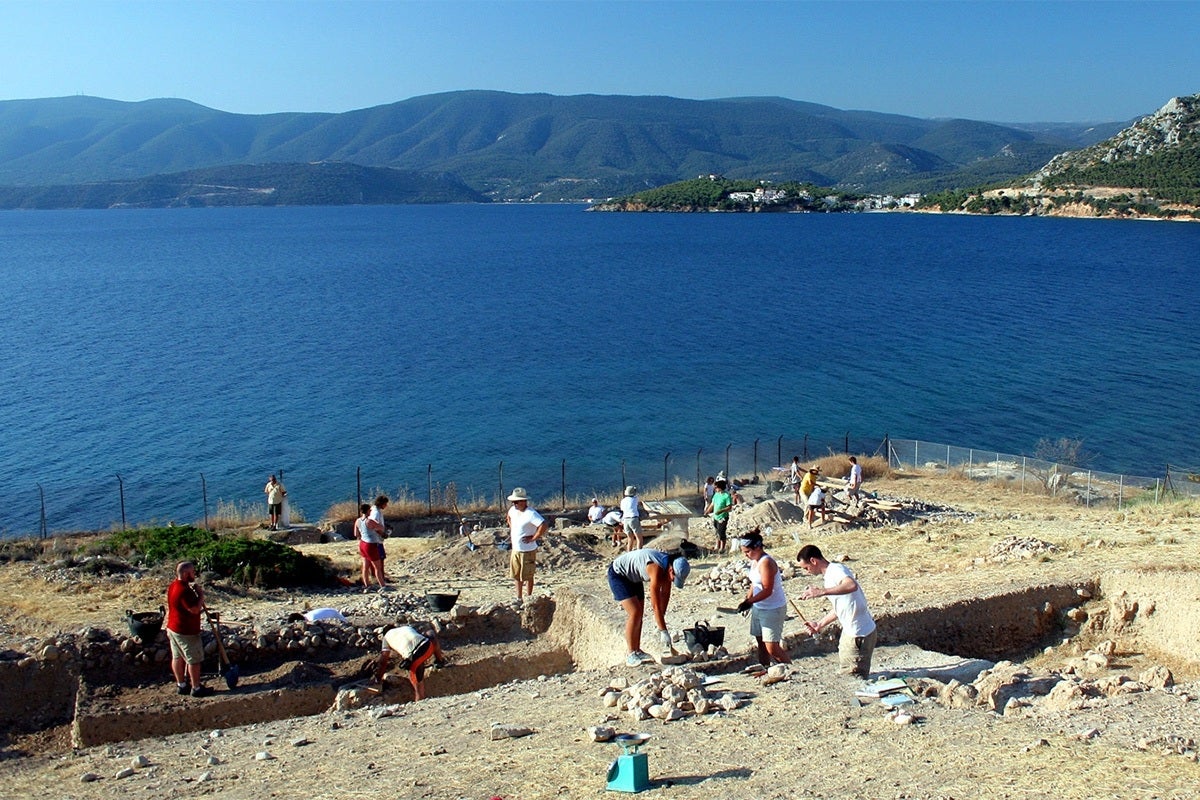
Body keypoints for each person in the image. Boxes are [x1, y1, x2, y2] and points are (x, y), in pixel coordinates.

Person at [797, 544, 877, 678]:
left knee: (853, 677)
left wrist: (821, 592)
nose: (807, 572)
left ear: (813, 561)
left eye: (806, 568)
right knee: (848, 673)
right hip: (852, 632)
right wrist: (819, 624)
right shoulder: (829, 576)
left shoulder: (836, 570)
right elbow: (840, 607)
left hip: (858, 633)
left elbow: (851, 585)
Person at [607, 548, 691, 666]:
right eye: (674, 577)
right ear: (671, 570)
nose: (673, 580)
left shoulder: (667, 570)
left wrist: (661, 621)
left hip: (634, 577)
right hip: (619, 575)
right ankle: (631, 654)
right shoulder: (656, 568)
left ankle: (637, 650)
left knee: (639, 614)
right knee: (635, 613)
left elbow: (665, 596)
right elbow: (655, 604)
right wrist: (664, 631)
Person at [735, 530, 792, 667]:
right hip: (759, 607)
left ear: (758, 547)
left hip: (772, 609)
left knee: (772, 646)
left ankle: (790, 669)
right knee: (760, 641)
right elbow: (755, 583)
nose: (746, 555)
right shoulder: (755, 561)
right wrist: (747, 598)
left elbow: (767, 590)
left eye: (748, 551)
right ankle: (765, 668)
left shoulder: (766, 562)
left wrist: (749, 602)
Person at [166, 561, 212, 697]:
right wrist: (201, 595)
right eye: (192, 572)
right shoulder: (185, 591)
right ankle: (196, 688)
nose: (195, 574)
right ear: (186, 574)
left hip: (173, 628)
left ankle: (181, 685)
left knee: (177, 657)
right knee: (193, 660)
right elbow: (195, 609)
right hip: (186, 631)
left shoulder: (173, 585)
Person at [373, 623, 447, 701]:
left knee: (417, 687)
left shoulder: (386, 638)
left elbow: (383, 661)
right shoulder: (405, 627)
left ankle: (420, 704)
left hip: (414, 658)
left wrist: (378, 678)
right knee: (429, 640)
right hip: (428, 646)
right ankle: (440, 661)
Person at [507, 487, 548, 600]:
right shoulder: (512, 510)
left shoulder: (531, 513)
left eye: (516, 502)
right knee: (516, 574)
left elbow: (543, 525)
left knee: (528, 575)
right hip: (516, 548)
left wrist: (534, 537)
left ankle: (529, 597)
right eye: (513, 502)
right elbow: (508, 517)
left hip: (527, 550)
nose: (514, 504)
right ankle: (519, 597)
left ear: (524, 501)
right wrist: (513, 529)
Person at [356, 502, 387, 590]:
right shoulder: (369, 521)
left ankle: (367, 585)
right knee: (377, 566)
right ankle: (382, 586)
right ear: (368, 511)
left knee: (365, 566)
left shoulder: (358, 521)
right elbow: (381, 527)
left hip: (362, 544)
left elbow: (356, 533)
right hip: (371, 545)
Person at [703, 478, 733, 552]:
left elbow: (729, 507)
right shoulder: (716, 495)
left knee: (721, 532)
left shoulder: (726, 496)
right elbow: (712, 504)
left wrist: (721, 511)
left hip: (722, 517)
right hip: (716, 517)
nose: (715, 488)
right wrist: (707, 511)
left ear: (720, 487)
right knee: (717, 531)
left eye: (716, 487)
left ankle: (722, 548)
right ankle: (717, 546)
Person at [619, 485, 647, 552]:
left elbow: (622, 509)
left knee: (630, 538)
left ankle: (629, 553)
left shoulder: (623, 501)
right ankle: (639, 553)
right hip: (633, 518)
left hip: (625, 519)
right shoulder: (635, 499)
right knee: (639, 538)